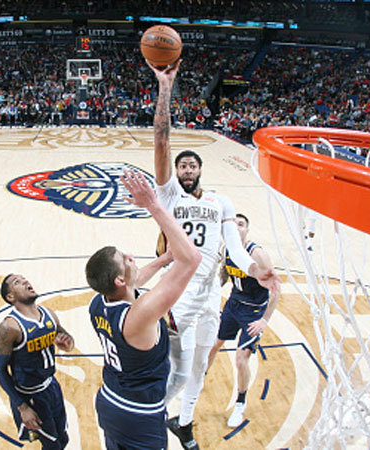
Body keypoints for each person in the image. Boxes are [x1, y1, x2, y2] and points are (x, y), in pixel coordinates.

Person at [148, 60, 281, 450]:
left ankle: (184, 424)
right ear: (175, 172)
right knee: (174, 368)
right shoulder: (169, 194)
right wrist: (165, 89)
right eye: (181, 165)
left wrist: (258, 270)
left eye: (192, 164)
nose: (187, 169)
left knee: (200, 371)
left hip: (209, 296)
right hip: (178, 292)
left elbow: (236, 251)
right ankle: (152, 413)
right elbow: (160, 139)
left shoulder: (222, 202)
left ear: (201, 169)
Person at [86, 170, 201, 450]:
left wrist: (163, 260)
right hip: (138, 414)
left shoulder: (99, 301)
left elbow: (134, 282)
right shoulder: (139, 317)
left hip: (110, 400)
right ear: (119, 280)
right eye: (125, 259)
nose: (131, 256)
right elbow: (191, 260)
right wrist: (153, 205)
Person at [207, 213, 280, 428]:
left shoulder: (257, 254)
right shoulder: (227, 249)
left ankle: (240, 403)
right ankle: (200, 377)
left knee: (241, 359)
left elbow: (276, 290)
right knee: (213, 344)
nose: (237, 228)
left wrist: (265, 320)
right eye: (233, 224)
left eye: (241, 225)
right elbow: (224, 273)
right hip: (233, 304)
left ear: (247, 230)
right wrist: (210, 292)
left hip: (254, 312)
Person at [0, 274, 75, 449]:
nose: (25, 281)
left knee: (64, 439)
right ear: (10, 297)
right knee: (52, 446)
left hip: (52, 387)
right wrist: (22, 407)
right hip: (30, 396)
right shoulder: (9, 328)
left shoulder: (49, 314)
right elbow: (0, 371)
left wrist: (66, 344)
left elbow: (68, 342)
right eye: (17, 282)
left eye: (24, 279)